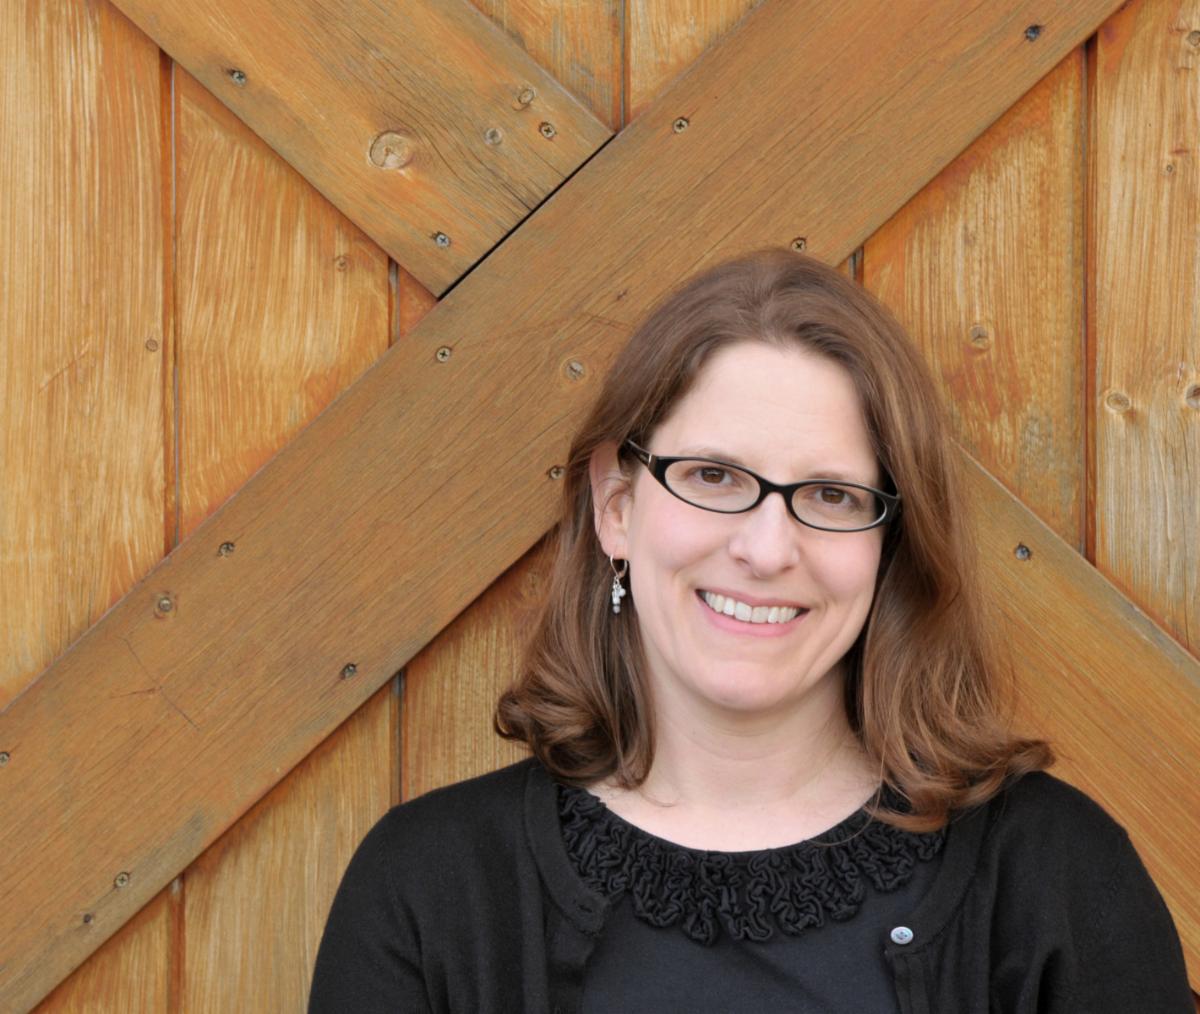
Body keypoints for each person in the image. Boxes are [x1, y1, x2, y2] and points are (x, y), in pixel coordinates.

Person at [308, 250, 1192, 1012]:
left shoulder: (1053, 878)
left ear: (890, 544)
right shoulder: (429, 891)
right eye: (714, 477)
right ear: (617, 504)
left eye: (832, 496)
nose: (768, 549)